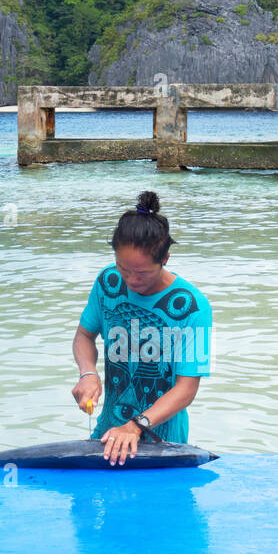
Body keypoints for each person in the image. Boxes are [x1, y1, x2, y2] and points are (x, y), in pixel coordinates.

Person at [72, 191, 212, 466]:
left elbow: (186, 389)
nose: (132, 280)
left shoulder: (193, 306)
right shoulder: (107, 282)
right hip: (108, 433)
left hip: (164, 444)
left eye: (144, 273)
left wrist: (136, 426)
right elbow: (84, 336)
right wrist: (87, 373)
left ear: (166, 259)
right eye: (124, 269)